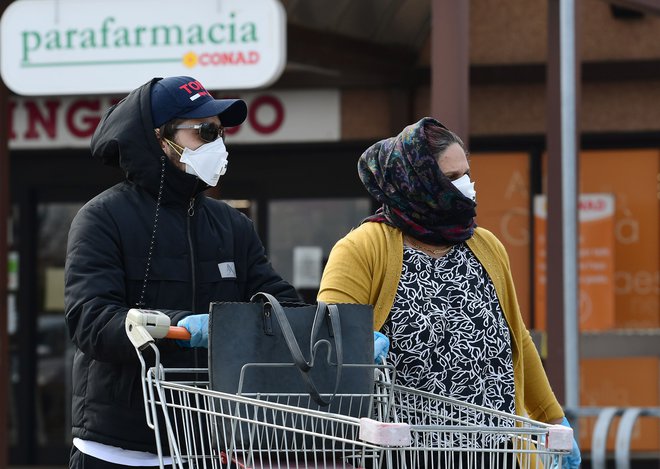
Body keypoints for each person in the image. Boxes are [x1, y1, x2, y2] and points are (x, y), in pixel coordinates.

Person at [64, 76, 301, 468]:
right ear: (159, 138)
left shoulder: (232, 225)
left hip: (206, 444)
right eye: (206, 131)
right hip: (118, 448)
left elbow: (277, 299)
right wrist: (178, 327)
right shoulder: (102, 218)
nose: (219, 144)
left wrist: (330, 331)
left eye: (221, 133)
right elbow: (90, 321)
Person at [317, 117, 581, 468]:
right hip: (410, 453)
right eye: (452, 177)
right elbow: (329, 339)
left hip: (498, 452)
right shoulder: (361, 248)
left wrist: (552, 417)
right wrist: (358, 344)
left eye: (467, 174)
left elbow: (517, 338)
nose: (467, 186)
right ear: (417, 182)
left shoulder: (485, 245)